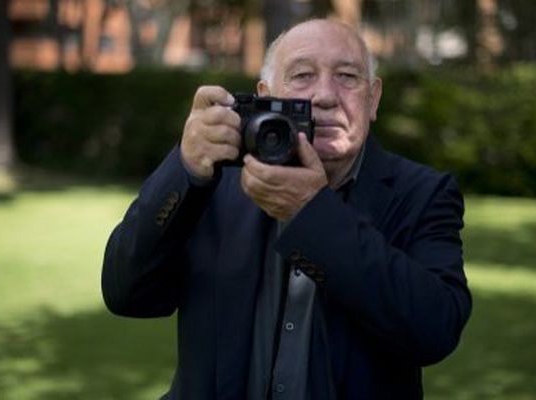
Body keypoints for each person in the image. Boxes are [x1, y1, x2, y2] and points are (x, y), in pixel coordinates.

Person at [102, 18, 471, 400]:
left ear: (372, 99)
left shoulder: (421, 193)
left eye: (347, 76)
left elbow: (436, 330)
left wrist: (312, 215)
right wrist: (183, 168)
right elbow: (126, 293)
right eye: (302, 75)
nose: (325, 95)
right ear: (266, 94)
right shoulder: (216, 182)